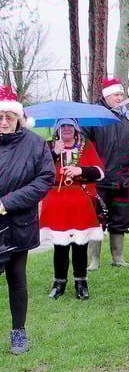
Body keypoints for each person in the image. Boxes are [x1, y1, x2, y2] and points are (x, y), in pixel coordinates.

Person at [0, 86, 56, 354]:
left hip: (18, 223)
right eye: (0, 116)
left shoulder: (34, 144)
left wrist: (6, 203)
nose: (4, 121)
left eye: (9, 116)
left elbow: (45, 180)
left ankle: (18, 332)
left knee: (16, 278)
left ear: (18, 117)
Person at [40, 118, 105, 300]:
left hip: (80, 203)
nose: (66, 129)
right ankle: (58, 282)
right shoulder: (48, 146)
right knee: (59, 246)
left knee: (80, 244)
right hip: (56, 202)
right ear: (57, 129)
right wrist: (54, 153)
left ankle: (81, 282)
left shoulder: (86, 146)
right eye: (63, 126)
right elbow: (37, 170)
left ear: (76, 129)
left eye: (70, 126)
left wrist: (81, 171)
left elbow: (100, 172)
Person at [84, 77, 129, 270]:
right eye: (116, 94)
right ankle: (94, 260)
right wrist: (94, 167)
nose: (120, 98)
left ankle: (118, 258)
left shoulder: (127, 119)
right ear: (107, 95)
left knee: (120, 219)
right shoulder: (93, 118)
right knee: (96, 219)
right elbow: (86, 145)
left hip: (123, 179)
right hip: (99, 180)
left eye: (121, 95)